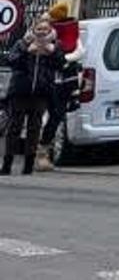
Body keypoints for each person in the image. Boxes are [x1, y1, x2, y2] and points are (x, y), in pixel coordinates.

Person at [3, 17, 76, 176]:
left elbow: (62, 65)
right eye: (39, 29)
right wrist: (25, 50)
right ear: (33, 29)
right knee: (14, 127)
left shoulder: (56, 45)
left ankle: (29, 165)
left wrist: (53, 53)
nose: (42, 32)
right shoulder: (22, 43)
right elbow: (11, 61)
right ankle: (7, 164)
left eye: (45, 29)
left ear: (50, 31)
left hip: (41, 93)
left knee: (34, 128)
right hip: (20, 92)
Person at [39, 1, 81, 168]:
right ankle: (37, 154)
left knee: (55, 118)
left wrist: (65, 59)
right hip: (44, 82)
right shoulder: (44, 34)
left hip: (61, 84)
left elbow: (78, 52)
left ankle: (42, 154)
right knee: (37, 119)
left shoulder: (69, 35)